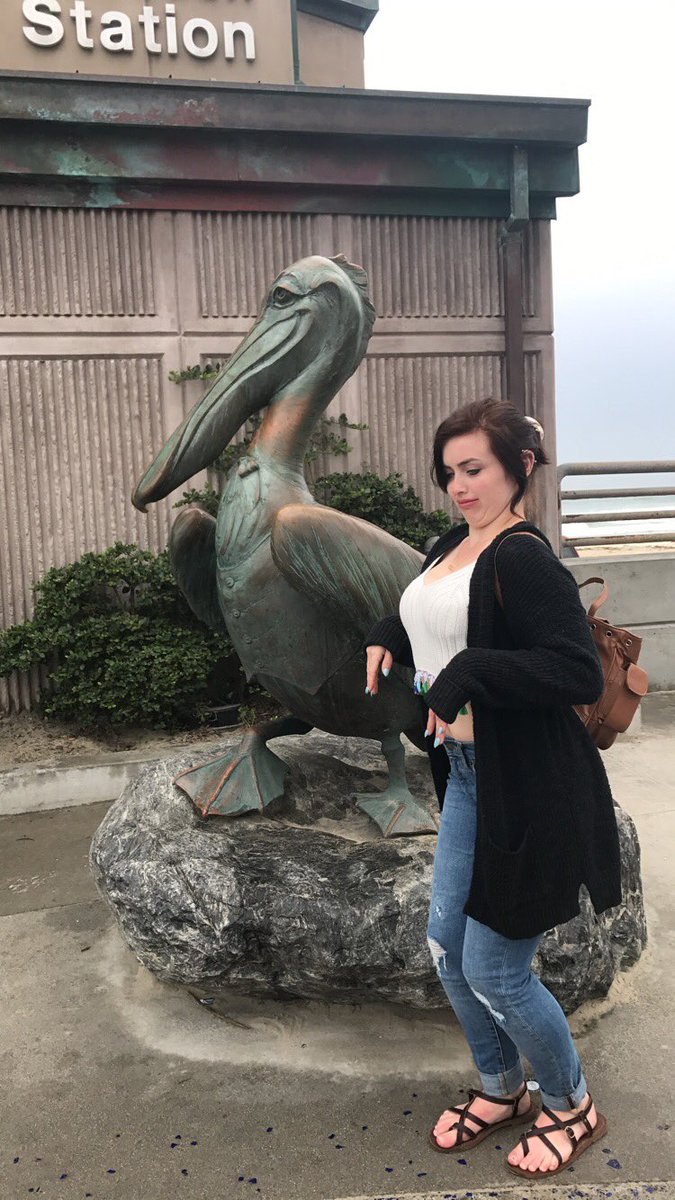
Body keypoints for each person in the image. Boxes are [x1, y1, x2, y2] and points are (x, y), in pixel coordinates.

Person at [365, 398, 621, 1179]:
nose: (458, 487)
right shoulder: (453, 542)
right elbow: (429, 608)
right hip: (471, 779)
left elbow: (573, 670)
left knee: (495, 970)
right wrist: (386, 631)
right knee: (447, 950)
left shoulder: (521, 557)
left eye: (473, 469)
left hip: (531, 785)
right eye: (448, 473)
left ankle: (570, 1104)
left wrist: (471, 671)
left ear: (520, 467)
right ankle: (502, 1088)